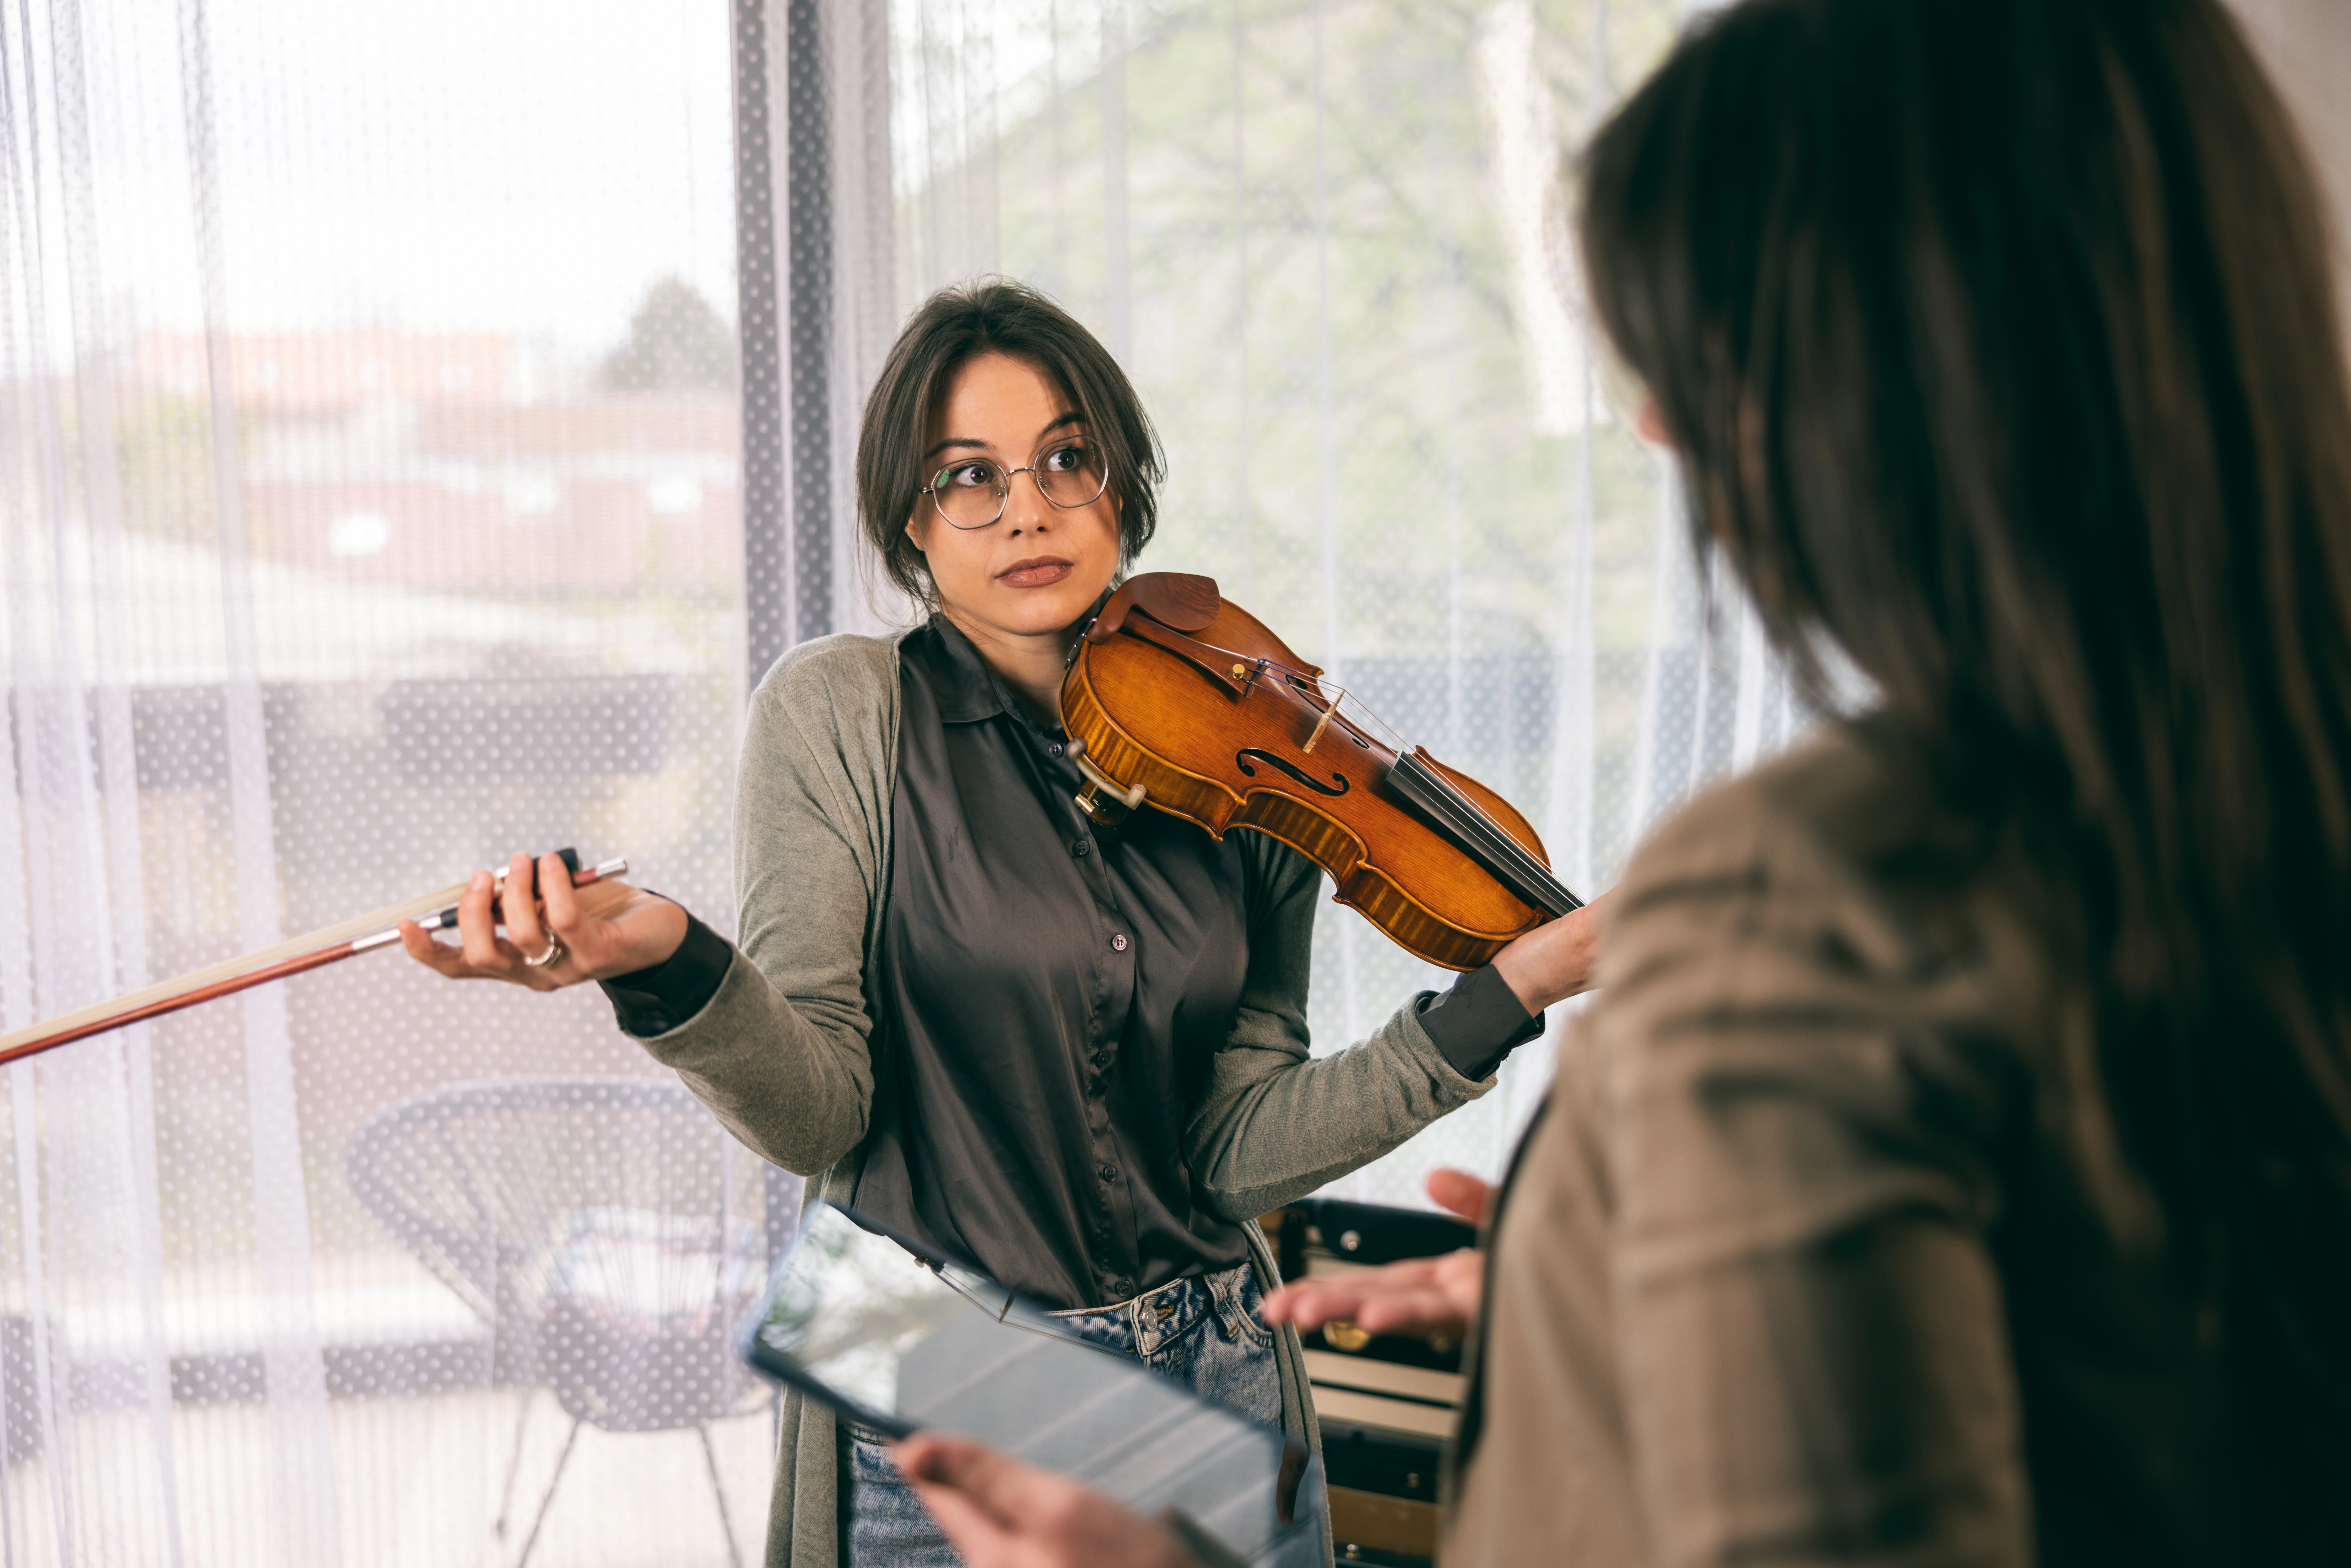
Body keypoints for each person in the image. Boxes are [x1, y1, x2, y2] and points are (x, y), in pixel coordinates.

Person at [882, 0, 2351, 1562]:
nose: (1655, 421)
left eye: (1711, 353)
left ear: (1922, 378)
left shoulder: (1813, 896)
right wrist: (1618, 1303)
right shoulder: (2263, 804)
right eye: (968, 477)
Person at [399, 279, 1603, 1567]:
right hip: (949, 1378)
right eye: (966, 475)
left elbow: (1230, 1152)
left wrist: (1501, 996)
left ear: (1120, 488)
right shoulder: (840, 713)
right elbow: (817, 1115)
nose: (1026, 506)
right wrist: (668, 964)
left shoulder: (1251, 750)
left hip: (1221, 1368)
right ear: (909, 522)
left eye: (1066, 459)